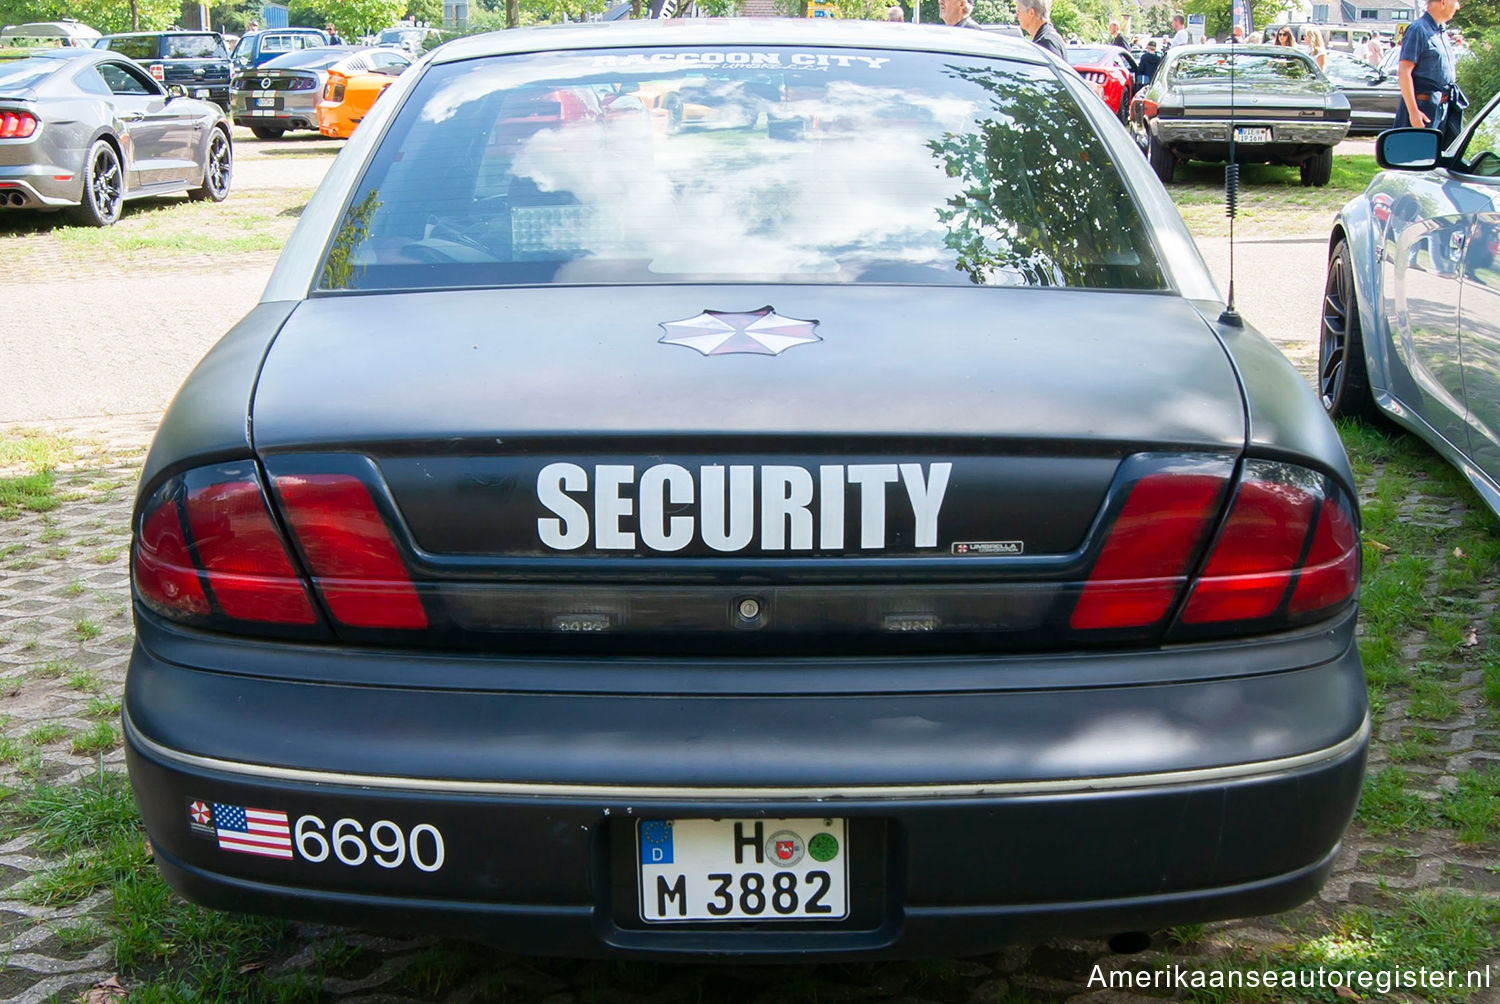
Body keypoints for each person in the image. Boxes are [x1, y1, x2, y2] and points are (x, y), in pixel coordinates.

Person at [1395, 0, 1467, 146]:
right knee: (1416, 158)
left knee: (1441, 160)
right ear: (1443, 2)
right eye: (1456, 1)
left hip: (1444, 106)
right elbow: (1404, 72)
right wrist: (1413, 112)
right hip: (1424, 108)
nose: (1458, 6)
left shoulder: (1441, 31)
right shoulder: (1418, 29)